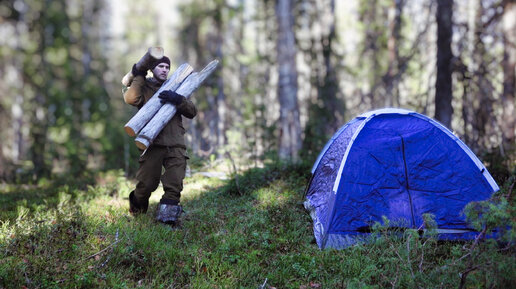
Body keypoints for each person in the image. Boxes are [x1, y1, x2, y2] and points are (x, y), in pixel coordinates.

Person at [123, 56, 197, 226]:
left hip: (175, 143)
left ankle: (167, 221)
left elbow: (192, 111)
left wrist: (178, 99)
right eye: (160, 66)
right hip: (151, 144)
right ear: (152, 69)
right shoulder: (145, 86)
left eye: (167, 67)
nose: (164, 69)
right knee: (146, 185)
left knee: (175, 183)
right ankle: (137, 208)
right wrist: (139, 75)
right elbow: (131, 99)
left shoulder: (176, 85)